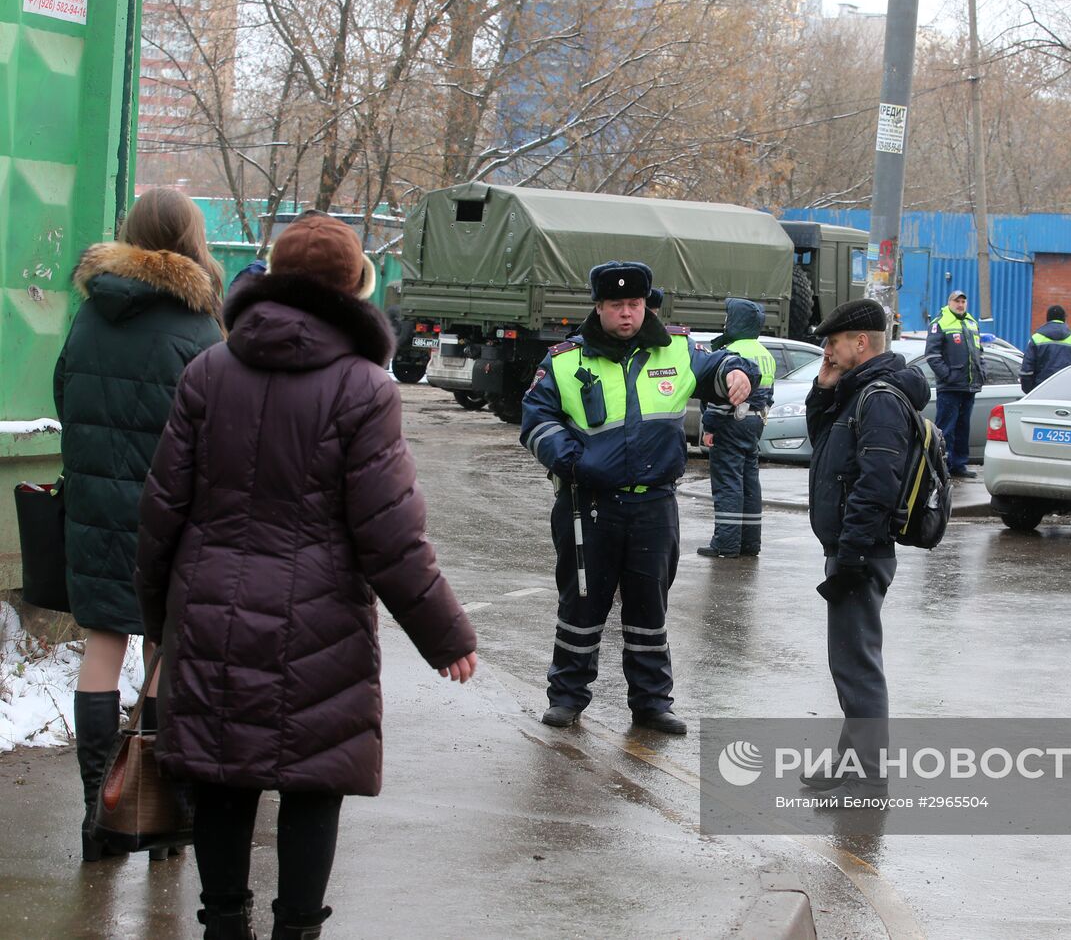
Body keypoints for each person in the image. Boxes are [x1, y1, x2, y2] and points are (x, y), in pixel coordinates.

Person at [135, 216, 477, 939]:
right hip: (320, 624)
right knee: (314, 779)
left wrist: (158, 619)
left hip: (210, 608)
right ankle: (297, 929)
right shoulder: (363, 387)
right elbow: (389, 530)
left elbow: (162, 507)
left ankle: (224, 923)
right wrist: (445, 633)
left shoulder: (209, 370)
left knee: (223, 778)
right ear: (354, 289)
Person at [55, 186, 226, 864]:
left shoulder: (90, 315)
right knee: (163, 652)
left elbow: (65, 396)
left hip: (95, 507)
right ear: (190, 241)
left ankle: (99, 810)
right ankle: (154, 817)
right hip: (171, 516)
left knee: (101, 645)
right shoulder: (198, 328)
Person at [520, 260, 757, 734]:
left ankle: (651, 703)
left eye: (634, 304)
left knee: (650, 606)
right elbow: (536, 422)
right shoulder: (566, 361)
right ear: (599, 307)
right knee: (582, 604)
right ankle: (567, 696)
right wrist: (573, 462)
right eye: (615, 305)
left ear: (646, 305)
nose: (626, 314)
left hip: (654, 505)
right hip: (586, 506)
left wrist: (737, 370)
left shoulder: (678, 350)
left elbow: (719, 365)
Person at [803, 299, 929, 799]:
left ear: (861, 343)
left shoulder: (878, 399)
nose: (827, 353)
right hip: (853, 546)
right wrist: (823, 388)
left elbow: (878, 482)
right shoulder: (858, 391)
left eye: (833, 343)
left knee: (858, 666)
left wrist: (851, 555)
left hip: (863, 550)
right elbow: (825, 449)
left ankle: (868, 775)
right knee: (850, 661)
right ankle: (848, 762)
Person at [698, 298, 775, 558]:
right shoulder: (765, 353)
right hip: (755, 422)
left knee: (728, 482)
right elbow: (769, 394)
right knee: (749, 481)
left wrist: (710, 426)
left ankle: (726, 544)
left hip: (731, 421)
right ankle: (749, 543)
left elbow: (720, 398)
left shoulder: (733, 352)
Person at [924, 290, 984, 479]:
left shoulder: (971, 322)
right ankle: (942, 466)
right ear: (949, 302)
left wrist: (982, 371)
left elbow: (979, 352)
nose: (960, 304)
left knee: (962, 428)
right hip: (950, 387)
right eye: (957, 301)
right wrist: (947, 376)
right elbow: (932, 355)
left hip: (969, 386)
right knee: (946, 429)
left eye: (963, 301)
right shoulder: (940, 322)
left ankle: (959, 464)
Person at [1019, 304, 1071, 391]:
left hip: (1041, 390)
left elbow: (1027, 370)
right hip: (1068, 392)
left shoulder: (1036, 339)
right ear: (1064, 319)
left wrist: (1030, 391)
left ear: (1047, 319)